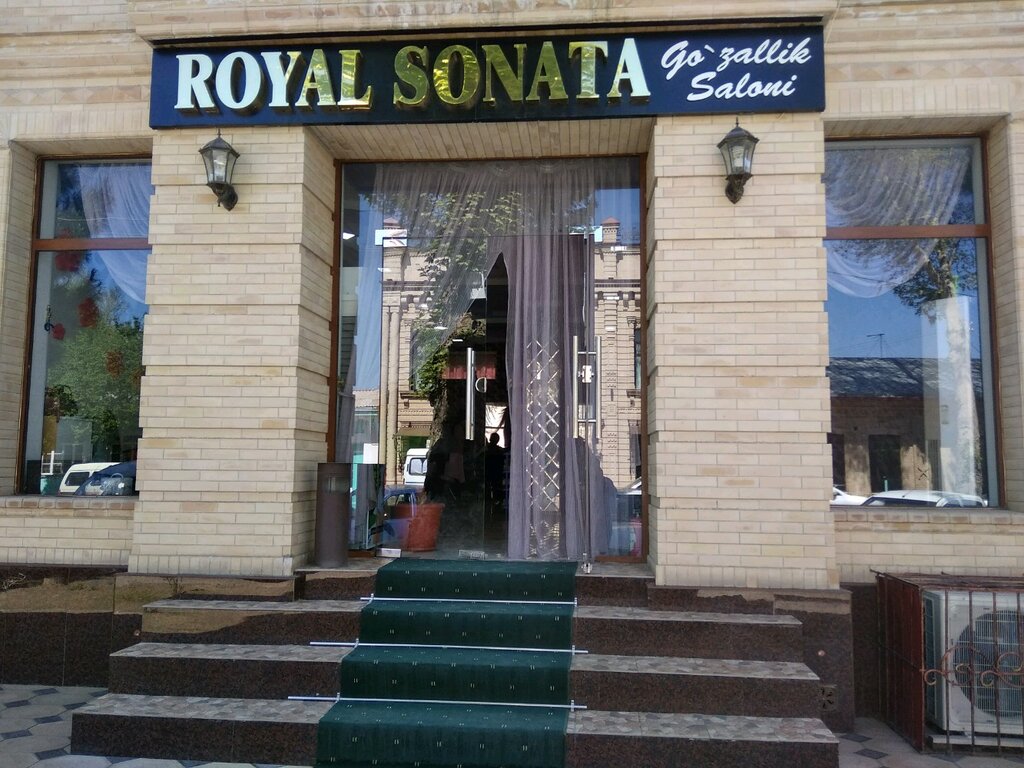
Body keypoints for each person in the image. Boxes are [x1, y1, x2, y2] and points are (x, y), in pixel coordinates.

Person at [484, 432, 506, 510]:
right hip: (490, 473)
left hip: (495, 474)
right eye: (493, 438)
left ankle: (496, 504)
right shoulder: (488, 449)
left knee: (496, 488)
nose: (494, 440)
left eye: (495, 439)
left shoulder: (498, 451)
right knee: (491, 488)